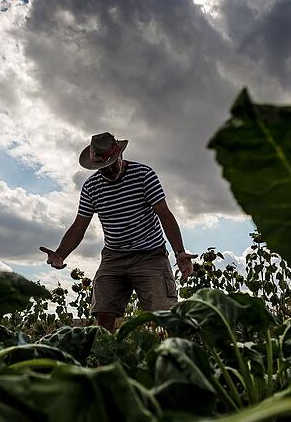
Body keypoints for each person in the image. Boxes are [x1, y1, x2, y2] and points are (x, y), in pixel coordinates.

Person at [39, 132, 197, 331]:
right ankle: (109, 359)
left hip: (150, 255)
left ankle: (174, 358)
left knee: (165, 316)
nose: (111, 169)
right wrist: (61, 253)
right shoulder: (91, 187)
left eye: (114, 162)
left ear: (120, 155)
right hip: (114, 257)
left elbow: (164, 214)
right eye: (104, 167)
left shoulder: (143, 175)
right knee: (103, 314)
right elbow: (79, 225)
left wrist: (179, 252)